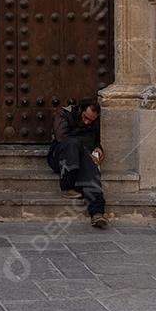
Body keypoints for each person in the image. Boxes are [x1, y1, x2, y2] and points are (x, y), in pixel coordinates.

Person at [47, 96, 108, 228]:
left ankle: (97, 213)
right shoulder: (62, 114)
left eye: (90, 121)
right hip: (61, 157)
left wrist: (98, 149)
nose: (87, 122)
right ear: (80, 110)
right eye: (85, 118)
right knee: (74, 145)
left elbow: (95, 140)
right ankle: (67, 186)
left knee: (90, 170)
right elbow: (62, 138)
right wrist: (86, 152)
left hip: (83, 160)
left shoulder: (93, 122)